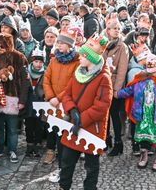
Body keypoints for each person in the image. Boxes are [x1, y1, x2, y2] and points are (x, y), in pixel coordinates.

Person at [58, 34, 113, 190]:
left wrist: (80, 119)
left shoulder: (104, 78)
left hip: (91, 129)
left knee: (91, 166)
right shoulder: (78, 71)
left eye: (83, 55)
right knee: (67, 161)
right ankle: (64, 187)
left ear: (92, 58)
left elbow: (101, 107)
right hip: (74, 126)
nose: (79, 57)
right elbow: (67, 94)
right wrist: (72, 110)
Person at [116, 54, 156, 171]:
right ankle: (144, 154)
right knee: (143, 136)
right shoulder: (140, 81)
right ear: (151, 72)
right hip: (142, 115)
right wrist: (117, 94)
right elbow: (129, 90)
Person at [42, 29, 80, 179]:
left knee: (66, 137)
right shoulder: (53, 60)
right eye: (58, 43)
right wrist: (51, 97)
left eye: (62, 43)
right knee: (58, 135)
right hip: (53, 105)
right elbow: (46, 79)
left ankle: (66, 168)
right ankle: (60, 168)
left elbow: (73, 84)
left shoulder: (77, 63)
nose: (58, 46)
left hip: (66, 105)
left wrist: (59, 98)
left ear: (70, 46)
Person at [0, 33, 28, 163]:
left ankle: (12, 150)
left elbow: (25, 81)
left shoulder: (19, 57)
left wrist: (22, 100)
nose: (0, 48)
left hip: (14, 96)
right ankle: (0, 149)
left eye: (3, 46)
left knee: (12, 128)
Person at [102, 17, 130, 157]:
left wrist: (117, 89)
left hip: (114, 85)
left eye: (119, 28)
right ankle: (106, 139)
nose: (117, 31)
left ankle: (118, 142)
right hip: (102, 84)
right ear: (108, 30)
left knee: (115, 114)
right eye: (114, 28)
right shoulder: (102, 43)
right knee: (104, 114)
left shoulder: (123, 47)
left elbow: (122, 70)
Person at [24, 46, 46, 158]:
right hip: (28, 103)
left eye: (40, 62)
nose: (38, 64)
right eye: (36, 61)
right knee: (28, 125)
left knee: (39, 125)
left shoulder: (45, 73)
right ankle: (29, 144)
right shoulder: (26, 71)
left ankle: (37, 145)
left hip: (40, 103)